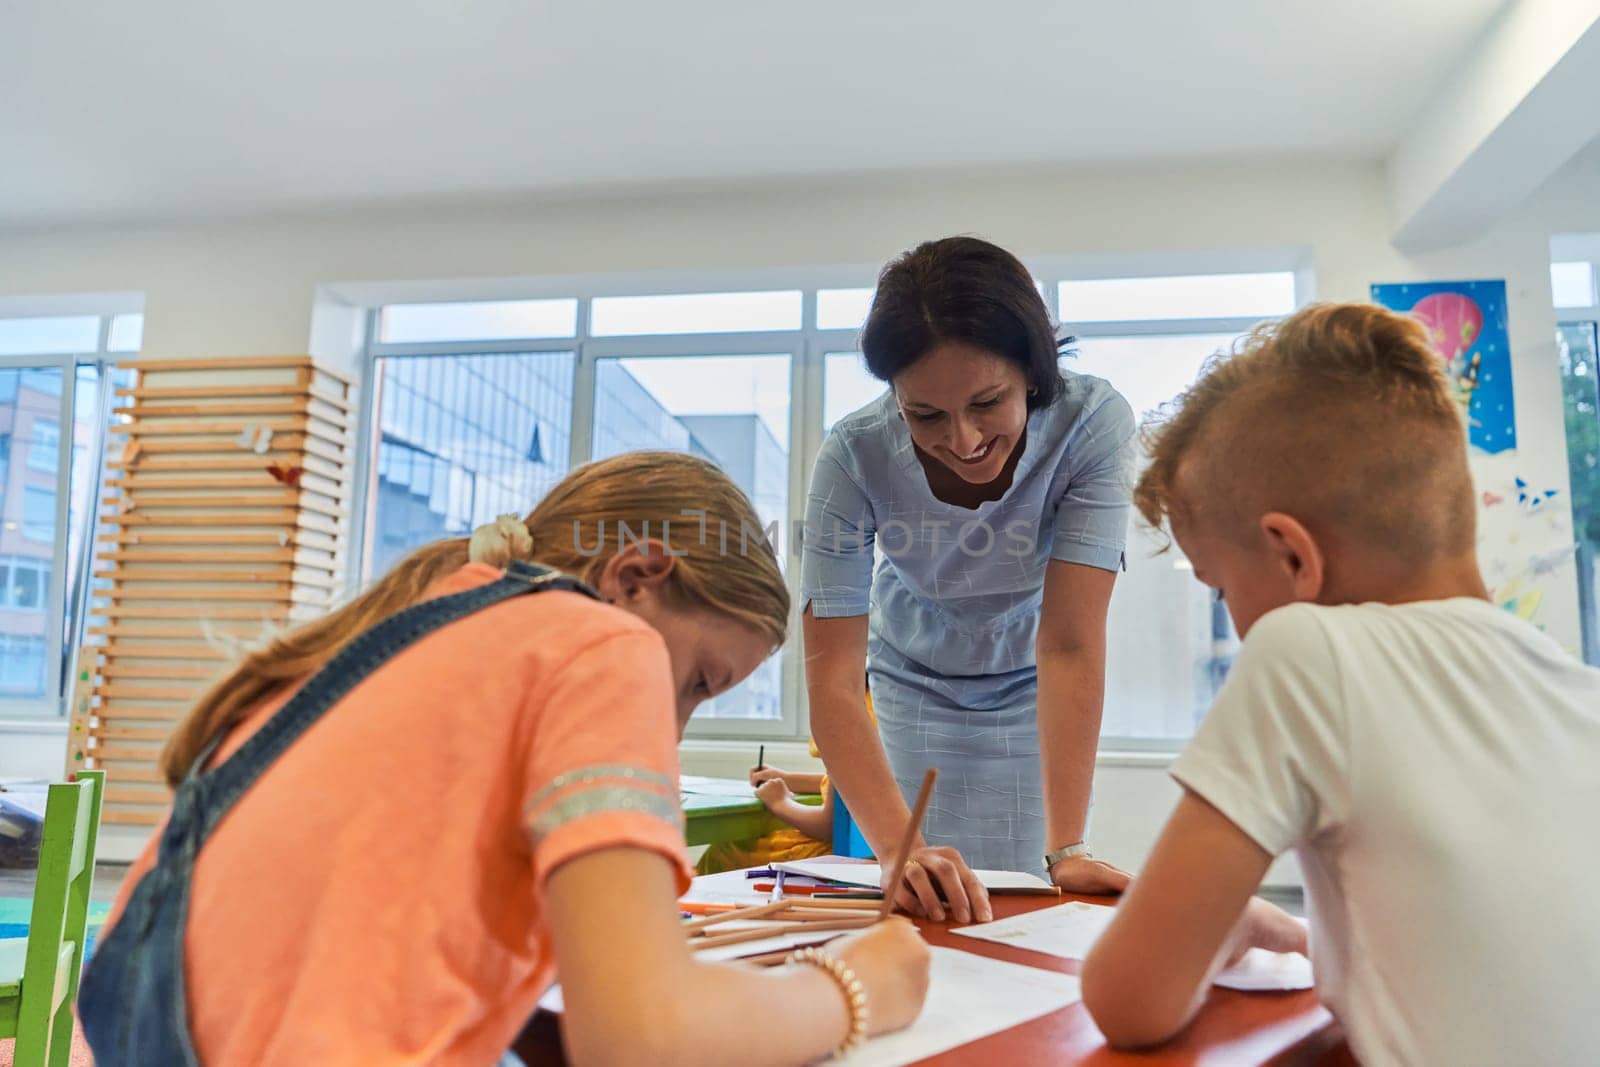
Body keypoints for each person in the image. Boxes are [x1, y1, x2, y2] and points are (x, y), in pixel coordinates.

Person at [80, 452, 930, 1067]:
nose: (669, 730)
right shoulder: (601, 642)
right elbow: (642, 1036)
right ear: (634, 576)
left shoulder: (396, 635)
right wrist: (850, 986)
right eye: (697, 680)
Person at [1080, 304, 1600, 1065]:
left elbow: (1127, 998)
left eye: (1222, 589)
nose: (1233, 615)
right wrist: (1284, 929)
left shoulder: (1308, 647)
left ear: (1294, 559)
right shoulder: (1576, 690)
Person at [802, 236, 1136, 922]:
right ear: (893, 396)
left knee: (1026, 897)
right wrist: (899, 851)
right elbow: (832, 679)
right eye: (925, 414)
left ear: (1035, 374)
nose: (962, 439)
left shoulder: (1093, 424)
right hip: (912, 673)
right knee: (924, 894)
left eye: (988, 402)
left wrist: (1068, 845)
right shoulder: (852, 456)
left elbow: (1070, 642)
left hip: (1034, 673)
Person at [696, 684, 880, 874]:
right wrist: (788, 779)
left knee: (724, 852)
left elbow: (830, 825)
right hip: (877, 850)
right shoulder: (880, 705)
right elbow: (856, 785)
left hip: (837, 854)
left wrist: (780, 803)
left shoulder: (844, 711)